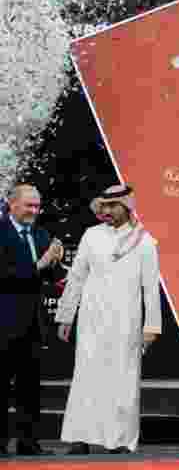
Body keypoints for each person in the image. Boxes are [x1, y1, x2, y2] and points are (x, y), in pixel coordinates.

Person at [55, 185, 161, 454]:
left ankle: (120, 440)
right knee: (86, 377)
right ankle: (79, 438)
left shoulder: (144, 241)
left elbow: (150, 289)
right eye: (103, 206)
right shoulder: (91, 235)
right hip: (91, 318)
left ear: (126, 207)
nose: (106, 211)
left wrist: (151, 327)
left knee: (122, 380)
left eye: (112, 206)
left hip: (126, 321)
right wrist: (66, 316)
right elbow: (77, 277)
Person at [0, 184, 63, 456]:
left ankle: (29, 443)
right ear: (11, 204)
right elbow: (5, 275)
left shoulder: (41, 234)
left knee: (30, 389)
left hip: (33, 325)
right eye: (29, 206)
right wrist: (40, 263)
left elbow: (47, 276)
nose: (34, 211)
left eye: (37, 206)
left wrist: (56, 264)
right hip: (3, 323)